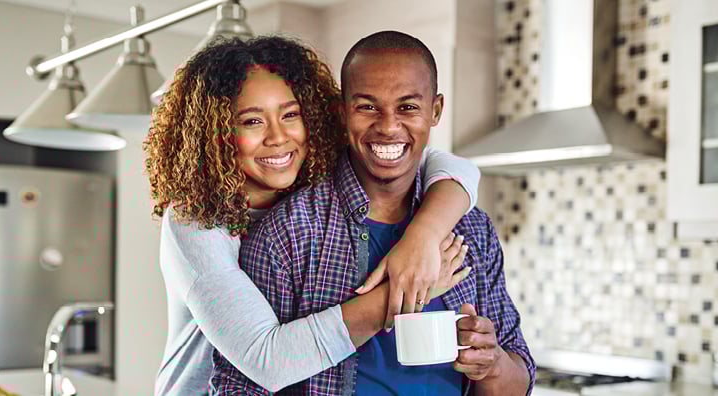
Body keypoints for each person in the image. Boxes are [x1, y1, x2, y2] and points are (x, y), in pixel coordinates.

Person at [144, 35, 482, 395]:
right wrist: (410, 286)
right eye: (252, 121)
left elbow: (450, 166)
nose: (278, 137)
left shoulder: (308, 175)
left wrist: (423, 237)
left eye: (290, 115)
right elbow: (269, 361)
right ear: (215, 134)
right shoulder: (195, 223)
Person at [212, 31, 536, 395]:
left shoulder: (471, 230)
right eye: (367, 106)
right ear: (341, 111)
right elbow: (240, 385)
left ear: (436, 111)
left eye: (408, 107)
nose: (388, 126)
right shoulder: (288, 233)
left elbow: (517, 375)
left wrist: (490, 364)